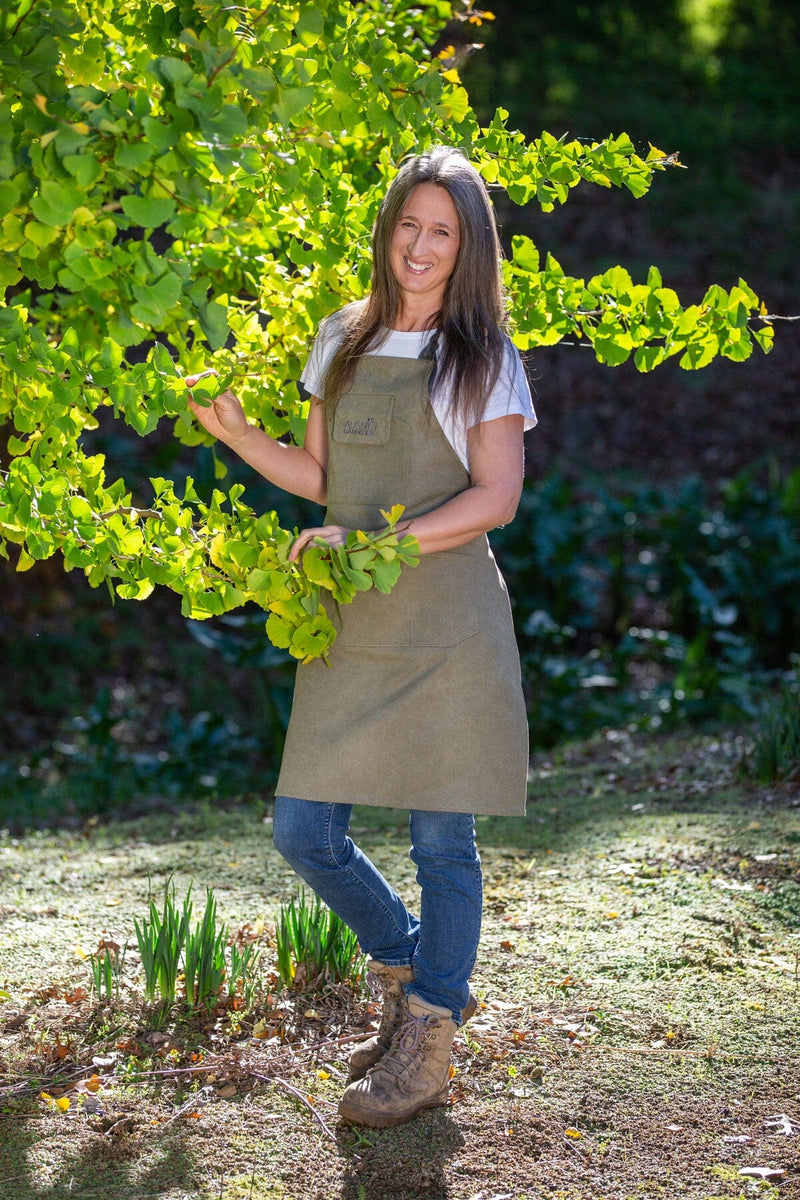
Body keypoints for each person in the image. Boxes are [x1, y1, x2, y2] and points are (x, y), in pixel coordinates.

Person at [187, 145, 536, 1129]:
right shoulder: (341, 336)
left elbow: (495, 499)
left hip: (448, 617)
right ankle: (413, 967)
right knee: (303, 828)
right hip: (353, 610)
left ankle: (427, 1032)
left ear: (467, 249)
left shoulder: (479, 356)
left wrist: (371, 538)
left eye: (443, 232)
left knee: (441, 837)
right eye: (407, 226)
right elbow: (320, 478)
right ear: (384, 230)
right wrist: (239, 439)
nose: (419, 248)